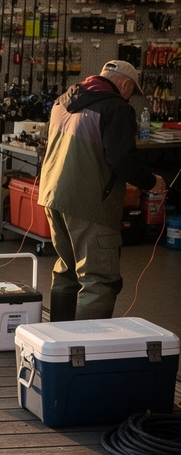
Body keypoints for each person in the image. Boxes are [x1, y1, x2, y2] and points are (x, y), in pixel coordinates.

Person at [39, 59, 165, 320]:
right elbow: (122, 160)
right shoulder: (116, 108)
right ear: (126, 84)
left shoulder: (63, 101)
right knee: (99, 280)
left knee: (67, 270)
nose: (131, 98)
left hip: (53, 196)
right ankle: (88, 353)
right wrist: (152, 181)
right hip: (91, 203)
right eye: (133, 92)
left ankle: (59, 344)